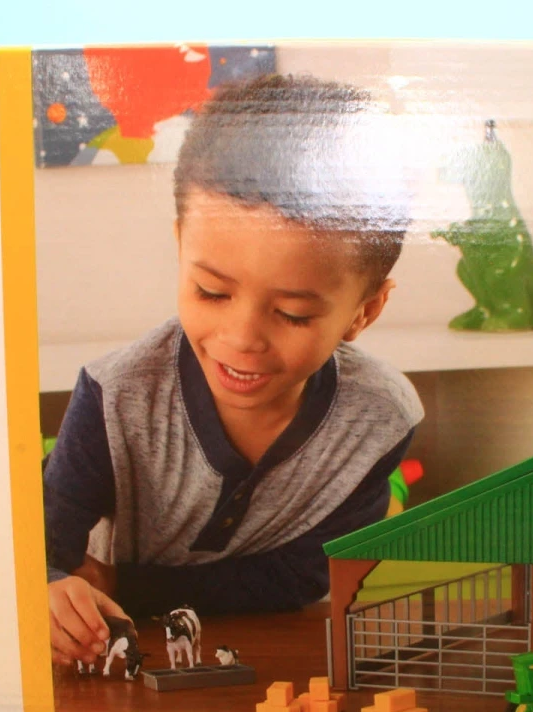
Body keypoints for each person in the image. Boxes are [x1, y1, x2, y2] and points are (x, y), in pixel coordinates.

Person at [45, 73, 423, 668]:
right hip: (120, 657)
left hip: (271, 659)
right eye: (211, 292)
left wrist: (119, 583)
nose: (241, 339)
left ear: (365, 311)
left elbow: (301, 577)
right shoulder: (114, 394)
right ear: (180, 246)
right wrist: (51, 589)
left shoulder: (380, 417)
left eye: (293, 314)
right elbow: (42, 551)